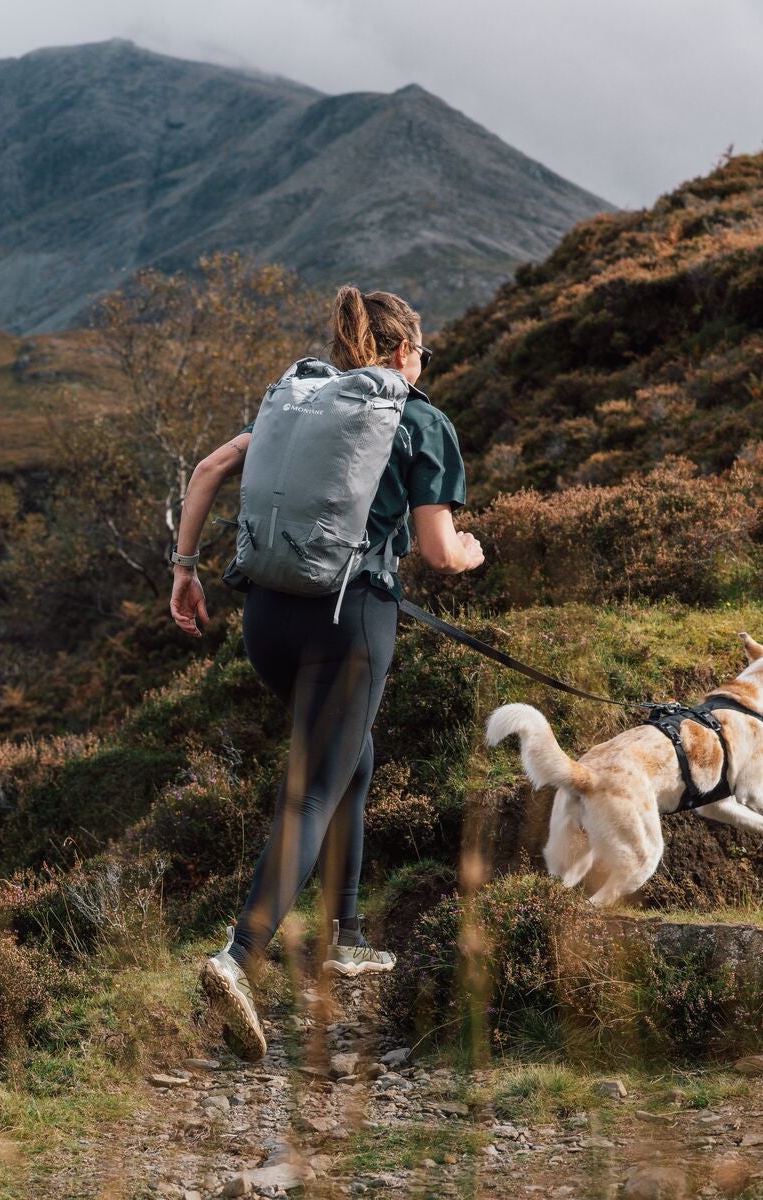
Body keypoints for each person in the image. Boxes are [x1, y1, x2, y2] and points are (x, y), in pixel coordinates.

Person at [166, 285, 485, 1060]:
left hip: (267, 621)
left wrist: (183, 568)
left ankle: (346, 932)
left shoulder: (301, 402)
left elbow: (210, 469)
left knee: (354, 754)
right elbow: (440, 552)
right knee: (312, 786)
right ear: (406, 351)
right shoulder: (420, 420)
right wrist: (473, 552)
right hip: (349, 627)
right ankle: (237, 959)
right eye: (423, 353)